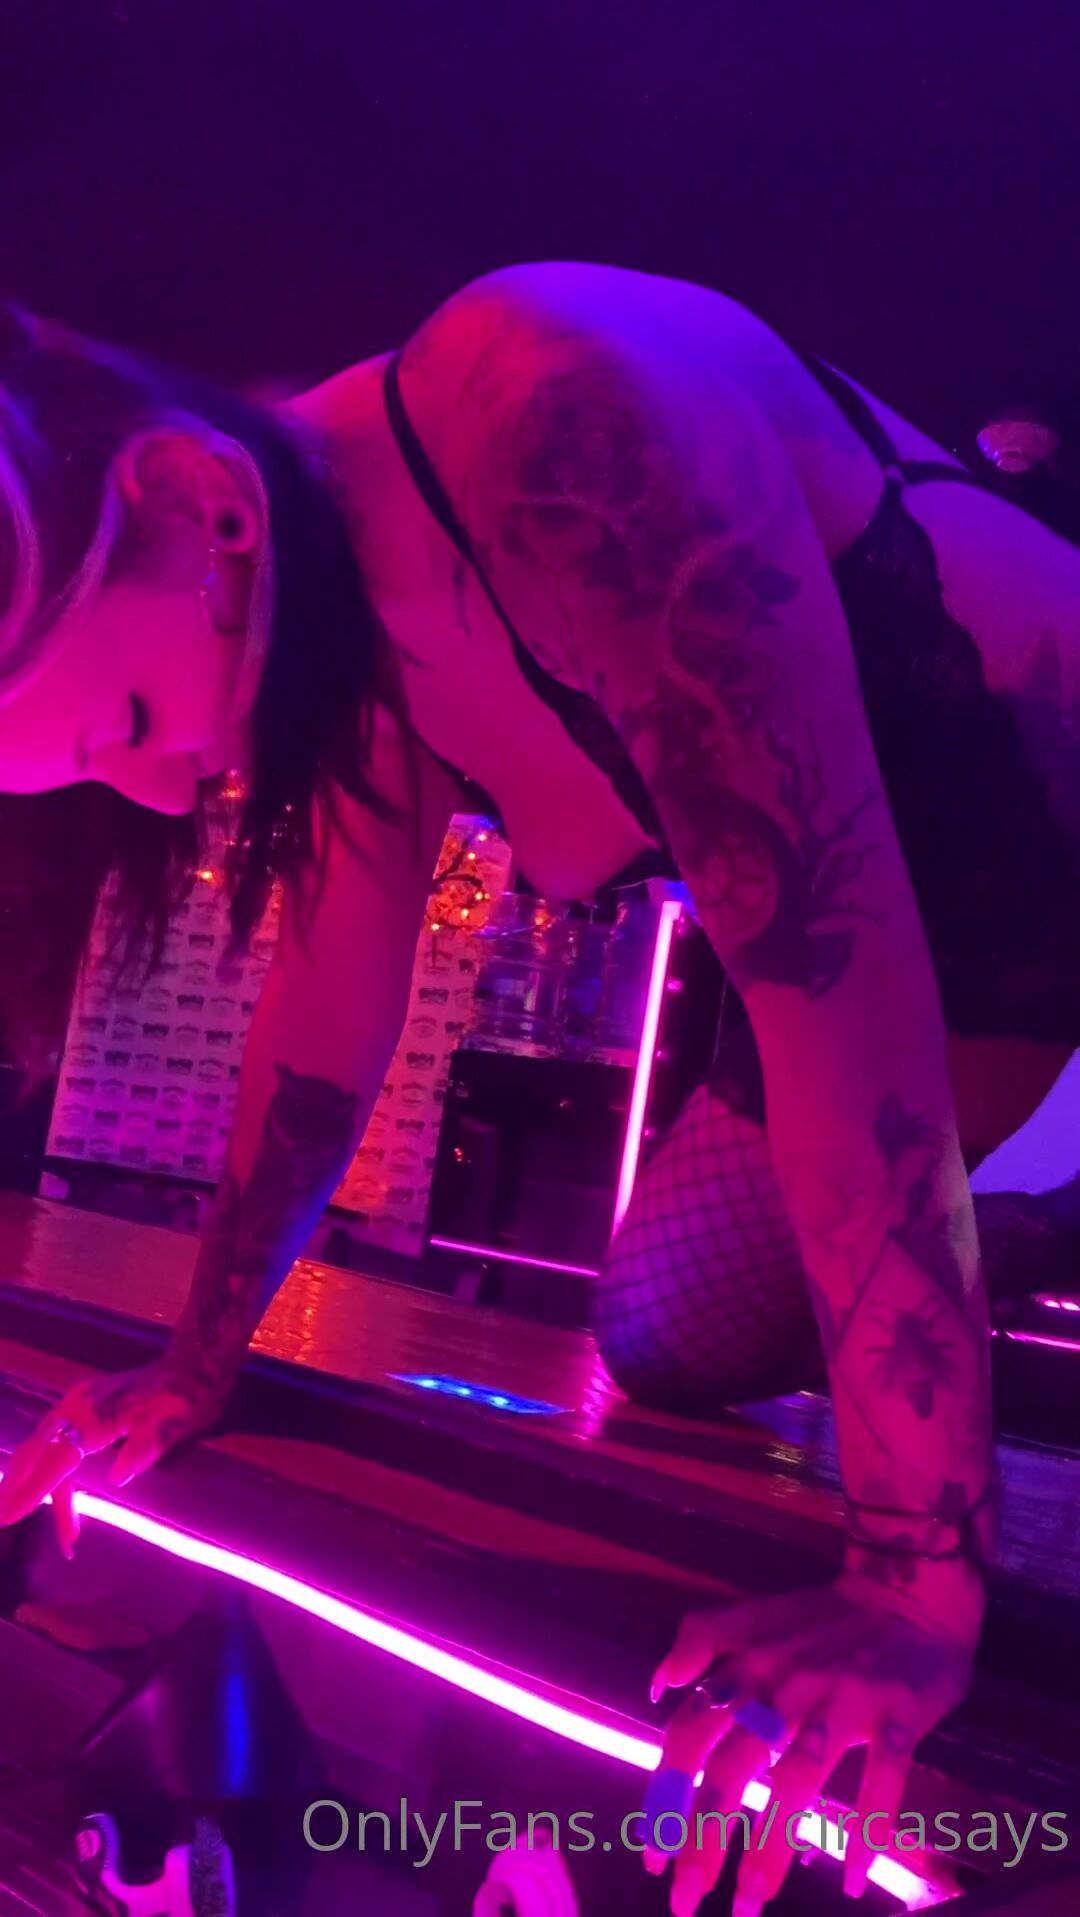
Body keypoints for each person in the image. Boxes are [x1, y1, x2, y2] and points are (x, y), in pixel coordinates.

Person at [0, 263, 1077, 1914]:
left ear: (197, 499)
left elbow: (836, 982)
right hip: (932, 930)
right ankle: (1041, 1227)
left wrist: (912, 1576)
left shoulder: (554, 418)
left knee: (836, 1207)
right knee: (667, 1328)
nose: (162, 789)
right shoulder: (324, 606)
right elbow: (324, 1024)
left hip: (1028, 849)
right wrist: (194, 1364)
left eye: (129, 721)